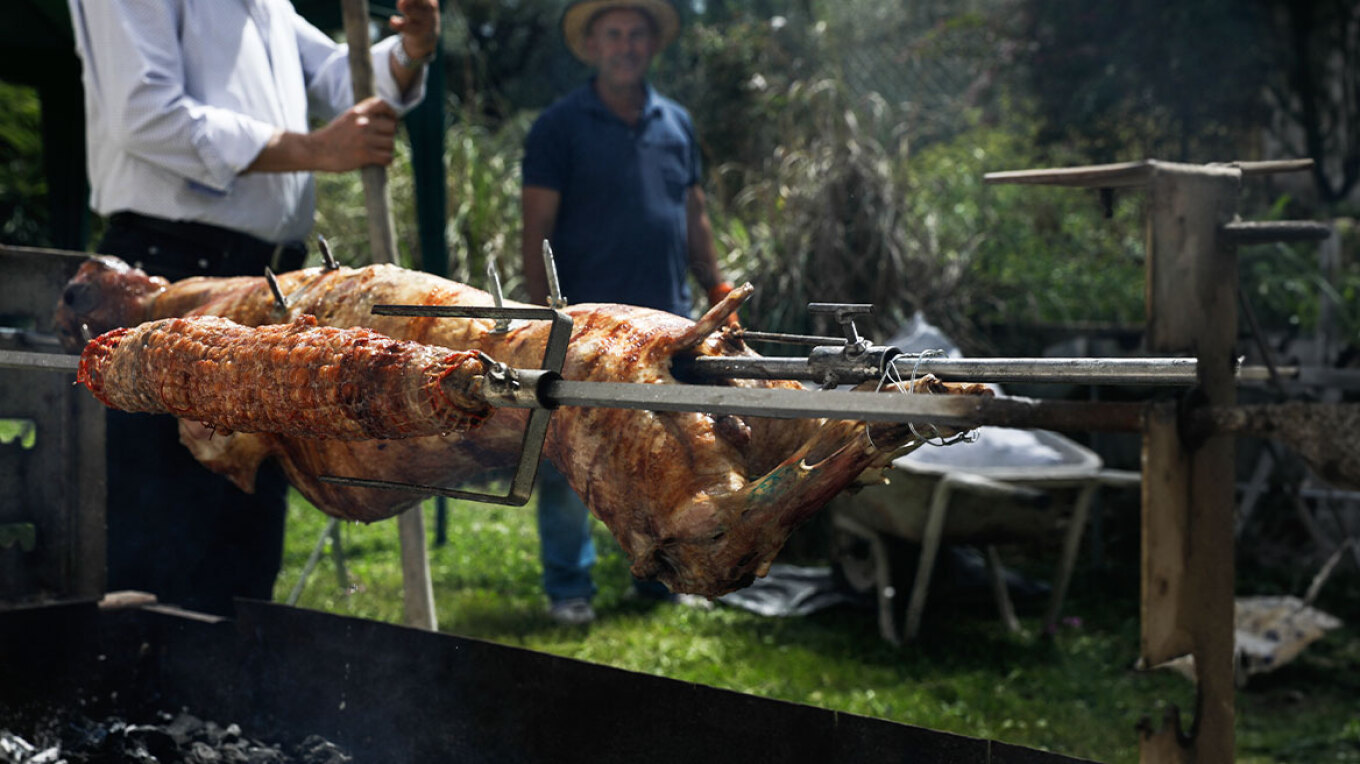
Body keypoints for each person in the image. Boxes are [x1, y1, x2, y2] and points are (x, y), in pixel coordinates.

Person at [66, 0, 439, 616]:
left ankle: (229, 702)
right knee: (160, 546)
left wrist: (408, 53)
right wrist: (317, 150)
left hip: (264, 280)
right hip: (169, 266)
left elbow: (341, 79)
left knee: (244, 532)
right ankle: (142, 703)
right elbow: (145, 114)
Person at [520, 0, 732, 625]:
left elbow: (693, 213)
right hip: (585, 327)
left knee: (670, 454)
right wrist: (543, 317)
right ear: (591, 46)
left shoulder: (677, 124)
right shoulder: (558, 127)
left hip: (668, 319)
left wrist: (715, 285)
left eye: (636, 34)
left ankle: (663, 574)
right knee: (569, 455)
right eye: (612, 34)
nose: (625, 45)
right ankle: (569, 587)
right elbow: (537, 227)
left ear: (651, 45)